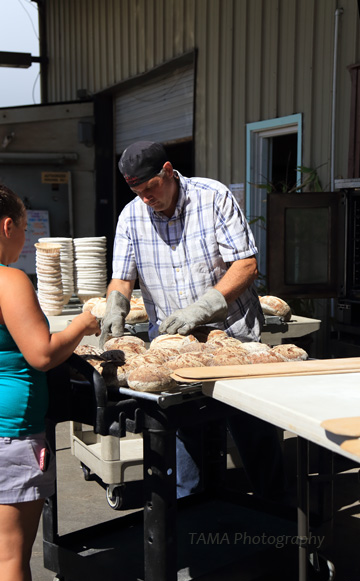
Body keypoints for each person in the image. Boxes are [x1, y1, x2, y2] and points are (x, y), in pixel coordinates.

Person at [100, 140, 285, 500]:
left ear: (168, 171)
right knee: (185, 433)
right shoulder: (131, 216)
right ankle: (190, 514)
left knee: (251, 427)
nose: (146, 198)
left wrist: (204, 307)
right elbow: (122, 277)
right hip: (175, 347)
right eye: (137, 192)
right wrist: (116, 305)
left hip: (233, 338)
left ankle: (277, 511)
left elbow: (246, 264)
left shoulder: (212, 198)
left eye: (151, 188)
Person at [0, 170, 100, 581]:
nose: (23, 238)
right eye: (22, 228)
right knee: (10, 556)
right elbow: (42, 353)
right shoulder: (8, 280)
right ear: (7, 226)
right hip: (7, 437)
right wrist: (85, 321)